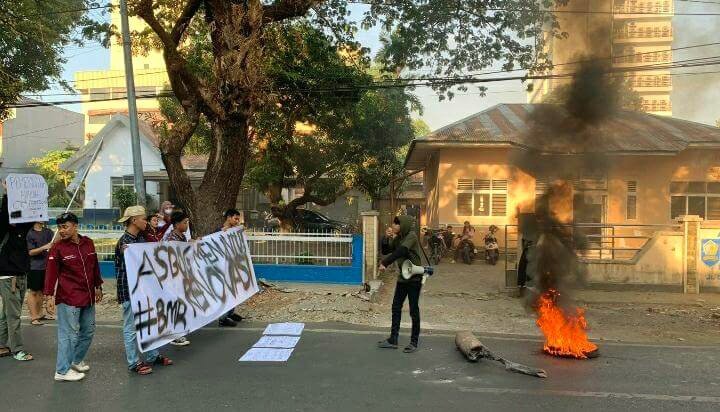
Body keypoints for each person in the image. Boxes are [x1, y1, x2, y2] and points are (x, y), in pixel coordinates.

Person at [115, 206, 174, 375]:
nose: (146, 222)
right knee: (131, 328)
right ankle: (133, 362)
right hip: (129, 291)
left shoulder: (140, 239)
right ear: (133, 220)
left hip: (145, 291)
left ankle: (152, 355)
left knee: (150, 323)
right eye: (143, 219)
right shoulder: (124, 243)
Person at [44, 212, 103, 381]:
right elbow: (50, 274)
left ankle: (75, 360)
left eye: (65, 227)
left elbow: (95, 267)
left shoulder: (88, 243)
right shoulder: (57, 248)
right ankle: (61, 371)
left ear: (75, 226)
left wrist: (98, 286)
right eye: (59, 227)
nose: (61, 231)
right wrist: (49, 296)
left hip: (88, 296)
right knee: (68, 334)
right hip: (68, 297)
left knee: (88, 331)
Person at [377, 215, 423, 354]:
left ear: (403, 225)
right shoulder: (399, 238)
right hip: (403, 277)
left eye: (397, 224)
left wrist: (385, 263)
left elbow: (401, 251)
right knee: (396, 307)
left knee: (413, 309)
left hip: (414, 277)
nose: (394, 226)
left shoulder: (411, 236)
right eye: (394, 223)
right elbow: (386, 250)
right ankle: (393, 339)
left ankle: (414, 342)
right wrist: (385, 238)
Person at [0, 188, 35, 362]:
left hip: (21, 275)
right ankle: (17, 350)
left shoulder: (22, 229)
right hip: (8, 277)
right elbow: (5, 217)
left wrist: (39, 199)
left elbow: (34, 215)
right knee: (13, 315)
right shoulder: (3, 228)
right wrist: (7, 195)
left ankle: (1, 344)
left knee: (7, 313)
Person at [165, 210, 191, 346]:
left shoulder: (182, 237)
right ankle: (173, 334)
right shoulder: (171, 239)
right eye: (185, 222)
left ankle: (179, 331)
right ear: (176, 224)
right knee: (175, 305)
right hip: (173, 279)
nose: (187, 225)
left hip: (182, 277)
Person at [216, 208, 245, 327]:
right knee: (226, 291)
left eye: (238, 219)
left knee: (234, 290)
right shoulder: (219, 231)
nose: (237, 221)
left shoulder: (235, 230)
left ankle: (230, 312)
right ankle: (223, 318)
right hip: (223, 267)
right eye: (235, 218)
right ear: (228, 217)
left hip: (233, 265)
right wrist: (223, 233)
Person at [26, 221, 55, 325]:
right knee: (33, 291)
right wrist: (44, 247)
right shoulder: (30, 233)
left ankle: (40, 314)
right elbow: (30, 252)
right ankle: (34, 317)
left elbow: (54, 243)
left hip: (47, 266)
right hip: (34, 267)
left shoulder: (48, 232)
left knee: (41, 291)